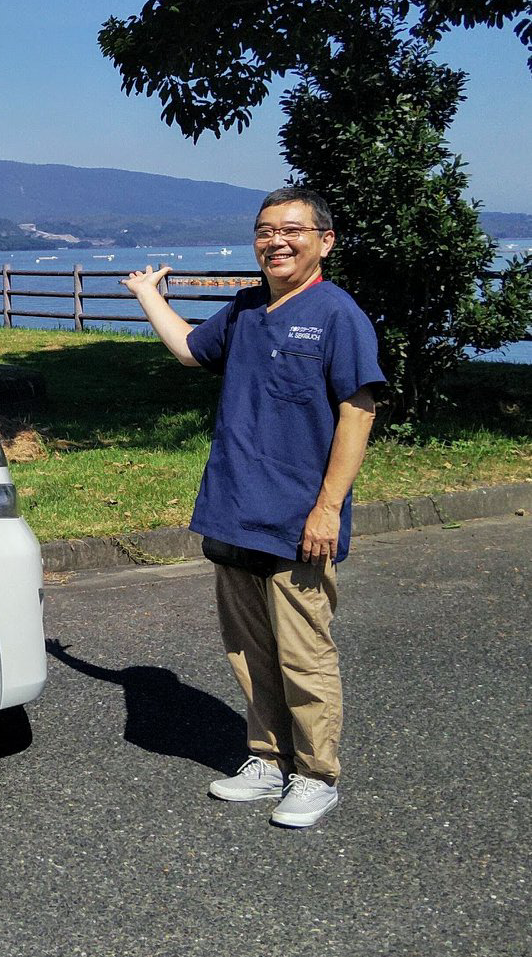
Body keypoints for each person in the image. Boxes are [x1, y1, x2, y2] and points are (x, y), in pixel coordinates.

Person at [123, 186, 385, 828]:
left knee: (304, 652)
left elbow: (359, 410)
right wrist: (149, 295)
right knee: (247, 649)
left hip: (299, 521)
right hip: (234, 510)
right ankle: (268, 760)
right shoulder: (245, 310)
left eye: (292, 229)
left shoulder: (336, 314)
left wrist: (329, 508)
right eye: (266, 230)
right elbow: (190, 349)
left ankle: (317, 774)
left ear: (324, 242)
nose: (275, 240)